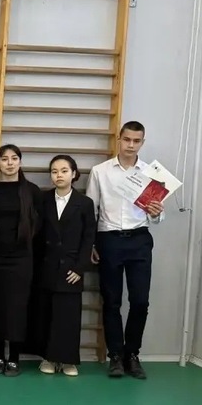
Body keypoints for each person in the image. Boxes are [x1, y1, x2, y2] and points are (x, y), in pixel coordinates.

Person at [86, 121, 164, 379]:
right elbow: (92, 210)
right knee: (111, 301)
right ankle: (116, 356)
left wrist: (157, 213)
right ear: (119, 139)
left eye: (136, 141)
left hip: (139, 239)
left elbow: (155, 215)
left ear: (142, 142)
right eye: (127, 139)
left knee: (140, 301)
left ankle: (132, 354)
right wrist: (92, 243)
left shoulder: (152, 174)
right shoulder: (100, 171)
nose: (131, 145)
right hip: (109, 239)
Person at [31, 155, 96, 376]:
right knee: (47, 314)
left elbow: (88, 238)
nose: (59, 175)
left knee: (68, 316)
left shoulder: (84, 203)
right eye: (54, 171)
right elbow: (37, 234)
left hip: (71, 268)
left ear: (74, 174)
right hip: (47, 266)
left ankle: (68, 360)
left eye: (64, 171)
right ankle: (48, 358)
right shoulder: (43, 199)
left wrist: (80, 268)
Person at [0, 145, 41, 376]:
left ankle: (15, 358)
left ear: (20, 162)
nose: (9, 163)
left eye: (14, 158)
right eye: (5, 159)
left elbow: (40, 226)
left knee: (17, 308)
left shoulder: (31, 191)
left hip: (21, 259)